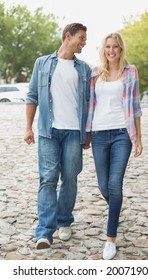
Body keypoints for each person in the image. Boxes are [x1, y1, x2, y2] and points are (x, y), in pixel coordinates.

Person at [24, 23, 91, 249]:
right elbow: (32, 96)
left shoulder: (84, 69)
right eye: (81, 38)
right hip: (48, 131)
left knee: (70, 178)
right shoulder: (42, 63)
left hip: (73, 132)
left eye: (85, 39)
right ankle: (44, 231)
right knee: (48, 179)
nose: (84, 42)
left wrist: (87, 133)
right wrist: (28, 127)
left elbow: (89, 103)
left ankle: (64, 221)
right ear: (68, 36)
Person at [86, 32, 143, 260]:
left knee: (114, 183)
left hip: (122, 133)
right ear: (104, 49)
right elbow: (89, 105)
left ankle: (110, 238)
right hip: (99, 133)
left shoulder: (131, 72)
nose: (111, 50)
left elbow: (136, 106)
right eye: (108, 46)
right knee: (103, 186)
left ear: (121, 50)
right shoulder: (95, 73)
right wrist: (87, 134)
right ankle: (115, 208)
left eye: (116, 47)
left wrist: (138, 137)